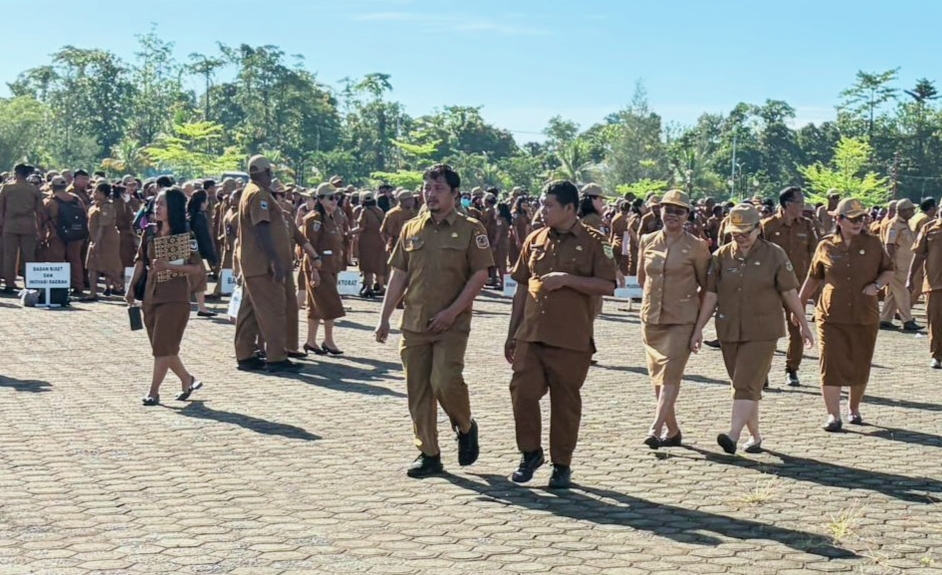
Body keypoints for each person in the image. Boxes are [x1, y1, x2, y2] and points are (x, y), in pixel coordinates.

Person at [374, 164, 494, 478]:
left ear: (455, 194)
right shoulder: (411, 228)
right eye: (427, 188)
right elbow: (399, 274)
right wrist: (384, 317)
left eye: (439, 188)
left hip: (451, 324)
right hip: (414, 323)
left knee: (445, 381)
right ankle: (428, 453)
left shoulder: (472, 229)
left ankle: (465, 426)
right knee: (418, 392)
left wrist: (452, 312)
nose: (431, 194)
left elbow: (480, 274)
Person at [504, 180, 616, 489]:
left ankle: (561, 465)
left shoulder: (595, 241)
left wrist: (568, 280)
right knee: (522, 392)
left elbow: (608, 285)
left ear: (569, 208)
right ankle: (530, 453)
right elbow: (522, 287)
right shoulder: (535, 239)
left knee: (565, 404)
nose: (542, 211)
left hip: (571, 338)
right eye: (542, 204)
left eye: (549, 205)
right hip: (532, 334)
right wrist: (512, 332)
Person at [691, 203, 814, 454]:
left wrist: (803, 323)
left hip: (763, 330)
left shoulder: (775, 254)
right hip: (729, 328)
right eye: (736, 233)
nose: (741, 238)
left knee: (746, 383)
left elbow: (789, 291)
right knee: (744, 385)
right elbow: (711, 296)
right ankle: (755, 437)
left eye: (746, 232)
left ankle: (732, 435)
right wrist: (698, 328)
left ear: (759, 229)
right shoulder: (721, 257)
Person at [799, 198, 895, 430]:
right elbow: (813, 278)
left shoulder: (873, 244)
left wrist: (877, 286)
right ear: (838, 220)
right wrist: (799, 306)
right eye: (852, 218)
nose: (858, 222)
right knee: (830, 364)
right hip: (831, 316)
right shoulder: (826, 246)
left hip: (864, 314)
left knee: (860, 363)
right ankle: (834, 415)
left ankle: (854, 409)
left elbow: (889, 270)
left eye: (861, 218)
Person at [637, 190, 710, 450]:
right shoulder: (647, 240)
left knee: (670, 375)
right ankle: (674, 430)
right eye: (668, 209)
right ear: (659, 212)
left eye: (679, 211)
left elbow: (708, 288)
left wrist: (699, 326)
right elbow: (642, 279)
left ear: (688, 215)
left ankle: (655, 427)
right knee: (658, 377)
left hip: (682, 320)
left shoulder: (697, 247)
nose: (672, 215)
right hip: (652, 319)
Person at [125, 187, 203, 406]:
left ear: (174, 208)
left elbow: (196, 268)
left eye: (162, 204)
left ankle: (153, 392)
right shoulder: (149, 232)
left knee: (162, 347)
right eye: (156, 204)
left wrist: (168, 266)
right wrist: (131, 288)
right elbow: (140, 261)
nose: (156, 208)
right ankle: (187, 380)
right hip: (151, 295)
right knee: (163, 348)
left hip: (175, 297)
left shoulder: (186, 236)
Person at [234, 155, 301, 373]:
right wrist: (275, 260)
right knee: (273, 310)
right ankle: (276, 358)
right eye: (270, 171)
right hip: (263, 266)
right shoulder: (258, 194)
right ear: (266, 172)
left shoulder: (250, 191)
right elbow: (262, 227)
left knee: (249, 311)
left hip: (253, 264)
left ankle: (245, 354)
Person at [759, 186, 820, 386]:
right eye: (799, 203)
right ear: (787, 204)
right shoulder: (767, 226)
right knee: (768, 331)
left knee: (797, 328)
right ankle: (763, 372)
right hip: (770, 287)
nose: (803, 206)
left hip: (796, 287)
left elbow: (814, 254)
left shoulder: (807, 225)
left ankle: (792, 369)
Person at [302, 183, 347, 355]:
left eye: (337, 197)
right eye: (330, 197)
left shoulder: (334, 217)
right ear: (320, 199)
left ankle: (311, 341)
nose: (335, 201)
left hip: (331, 266)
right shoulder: (313, 219)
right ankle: (328, 340)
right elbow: (309, 245)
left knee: (315, 307)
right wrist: (314, 271)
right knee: (331, 305)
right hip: (319, 268)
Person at [40, 175, 87, 296]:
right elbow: (85, 216)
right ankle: (78, 286)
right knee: (75, 260)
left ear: (52, 186)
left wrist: (41, 236)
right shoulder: (76, 199)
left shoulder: (50, 201)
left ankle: (58, 287)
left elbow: (42, 220)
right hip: (75, 234)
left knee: (56, 261)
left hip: (56, 235)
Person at [0, 163, 43, 293]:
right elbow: (40, 211)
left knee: (9, 256)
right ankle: (30, 283)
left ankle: (9, 283)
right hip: (28, 225)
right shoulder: (34, 189)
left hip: (10, 225)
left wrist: (2, 224)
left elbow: (1, 208)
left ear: (16, 172)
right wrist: (40, 228)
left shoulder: (6, 188)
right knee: (29, 256)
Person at [879, 198, 920, 331]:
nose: (913, 212)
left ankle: (885, 319)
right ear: (903, 211)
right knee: (903, 292)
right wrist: (891, 263)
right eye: (911, 210)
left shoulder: (906, 223)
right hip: (898, 265)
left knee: (893, 293)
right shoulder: (894, 224)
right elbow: (889, 244)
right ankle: (907, 320)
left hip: (905, 265)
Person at [909, 210, 942, 368]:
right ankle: (936, 355)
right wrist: (910, 277)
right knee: (934, 322)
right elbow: (918, 255)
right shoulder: (930, 229)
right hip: (934, 285)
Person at [83, 182, 124, 300]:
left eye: (96, 191)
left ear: (103, 193)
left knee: (107, 268)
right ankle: (92, 293)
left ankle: (127, 288)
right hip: (95, 239)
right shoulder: (94, 206)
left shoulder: (107, 207)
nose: (93, 193)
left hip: (106, 240)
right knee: (92, 266)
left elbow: (103, 226)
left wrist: (97, 243)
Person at [187, 190, 219, 318]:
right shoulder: (200, 217)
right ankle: (202, 307)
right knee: (200, 280)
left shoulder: (189, 215)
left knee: (192, 279)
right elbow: (204, 237)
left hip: (189, 251)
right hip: (197, 253)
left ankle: (200, 306)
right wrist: (212, 256)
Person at [355, 191, 387, 298]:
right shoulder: (380, 211)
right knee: (379, 266)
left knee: (367, 266)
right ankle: (381, 287)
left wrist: (348, 233)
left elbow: (361, 227)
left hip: (367, 243)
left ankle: (369, 288)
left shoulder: (365, 211)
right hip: (380, 242)